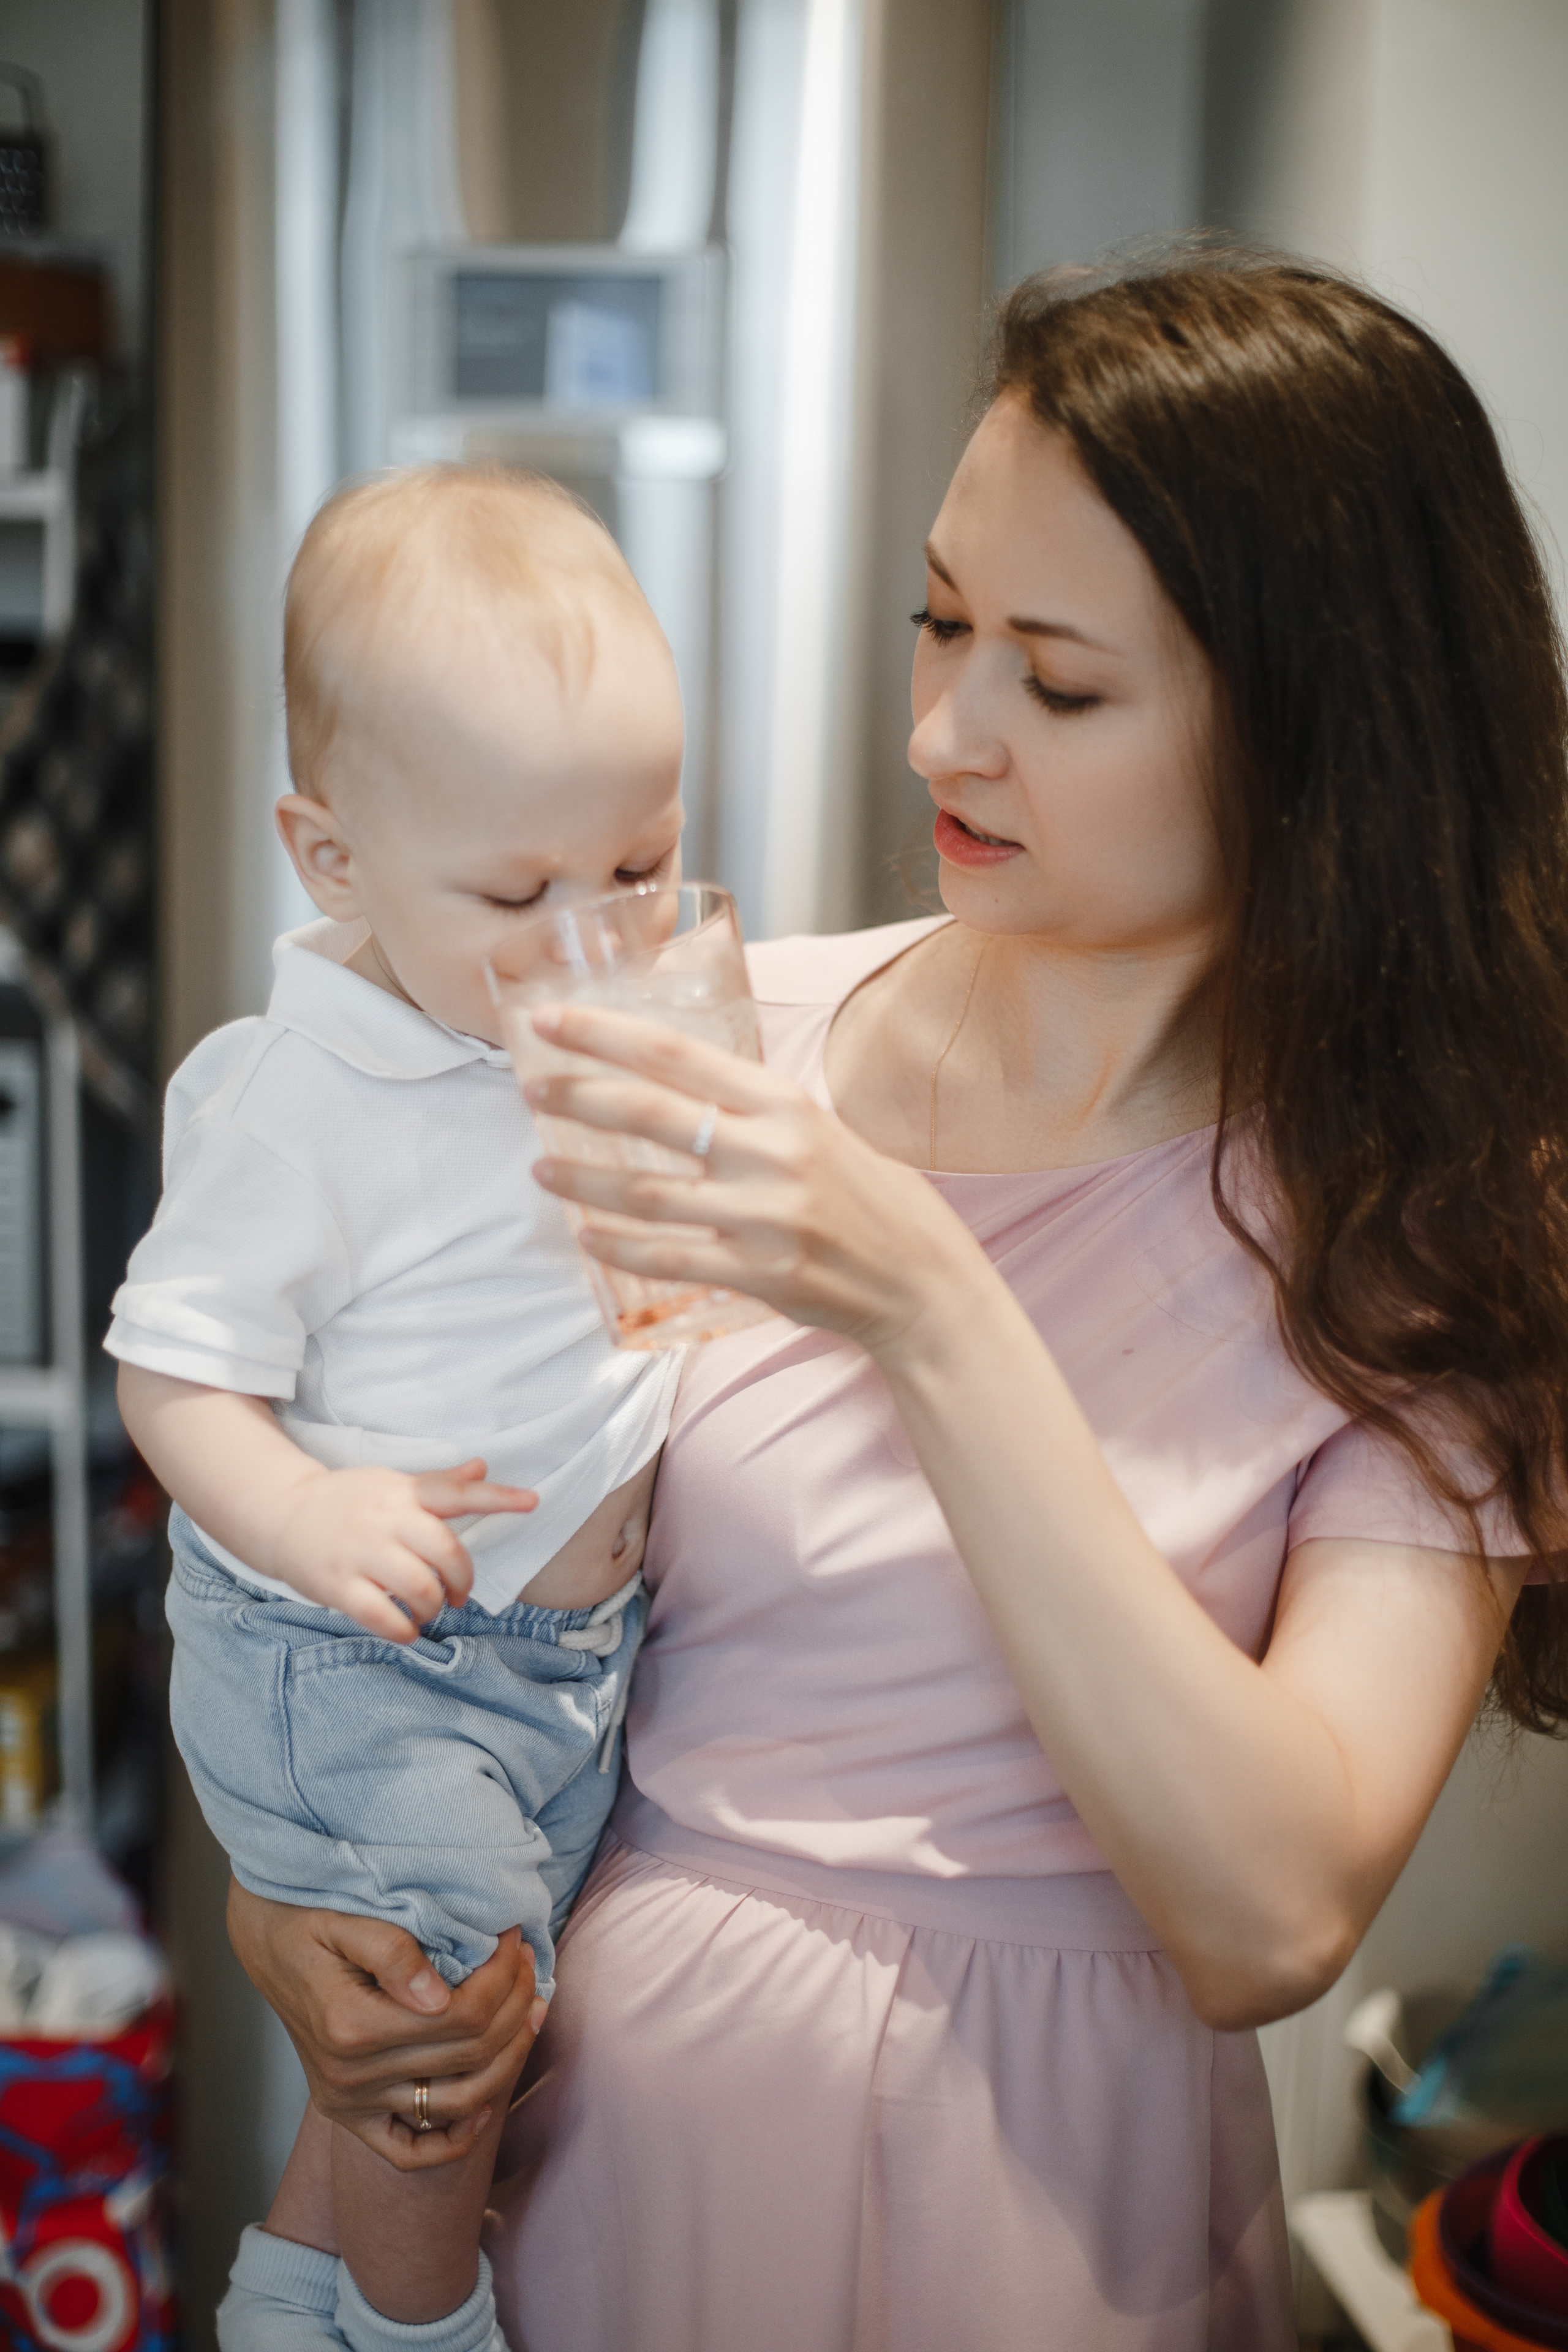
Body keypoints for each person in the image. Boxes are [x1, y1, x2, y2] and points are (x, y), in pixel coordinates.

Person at [228, 251, 1568, 2351]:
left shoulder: (1421, 1239)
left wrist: (925, 1299)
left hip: (1050, 2227)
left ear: (1317, 737)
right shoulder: (697, 1029)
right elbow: (413, 1575)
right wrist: (293, 1900)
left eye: (1061, 676)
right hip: (595, 2180)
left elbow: (1269, 1912)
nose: (944, 727)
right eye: (943, 620)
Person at [110, 468, 692, 2351]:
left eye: (641, 864)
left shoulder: (600, 1020)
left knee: (459, 2025)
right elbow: (174, 1371)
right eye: (519, 892)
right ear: (332, 857)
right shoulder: (304, 1098)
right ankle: (433, 2335)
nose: (591, 931)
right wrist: (306, 1514)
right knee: (450, 2022)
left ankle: (293, 2304)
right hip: (355, 1646)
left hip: (547, 1654)